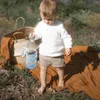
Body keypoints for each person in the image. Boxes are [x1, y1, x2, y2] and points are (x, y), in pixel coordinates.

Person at [30, 0, 72, 94]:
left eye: (50, 19)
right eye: (45, 18)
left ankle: (61, 80)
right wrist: (33, 36)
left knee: (59, 68)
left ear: (55, 15)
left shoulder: (59, 26)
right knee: (43, 69)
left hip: (57, 54)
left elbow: (66, 37)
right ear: (41, 15)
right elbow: (37, 35)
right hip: (44, 53)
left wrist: (68, 46)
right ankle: (43, 84)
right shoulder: (40, 25)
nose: (47, 21)